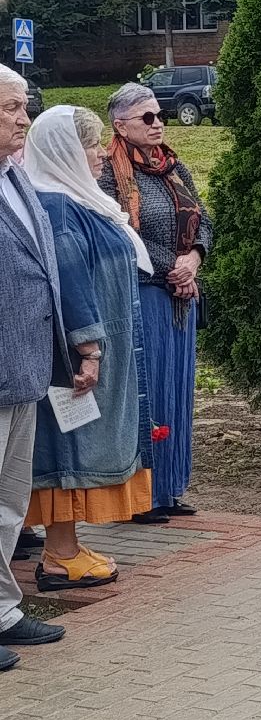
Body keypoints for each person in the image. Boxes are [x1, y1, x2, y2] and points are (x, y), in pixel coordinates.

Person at [23, 106, 155, 588]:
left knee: (78, 444)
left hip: (102, 347)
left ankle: (66, 546)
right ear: (65, 151)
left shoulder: (80, 201)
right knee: (67, 448)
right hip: (78, 358)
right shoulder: (58, 208)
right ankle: (59, 556)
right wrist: (89, 348)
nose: (100, 154)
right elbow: (71, 285)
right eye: (91, 145)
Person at [100, 82, 212, 524]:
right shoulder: (109, 172)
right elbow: (124, 234)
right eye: (147, 117)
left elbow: (204, 218)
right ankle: (141, 495)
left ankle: (169, 489)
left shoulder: (173, 166)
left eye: (160, 114)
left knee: (177, 390)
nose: (158, 123)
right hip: (142, 293)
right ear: (120, 125)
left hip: (180, 297)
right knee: (148, 391)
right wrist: (175, 267)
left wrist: (194, 259)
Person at [0, 62, 70, 668]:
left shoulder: (14, 178)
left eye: (22, 106)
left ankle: (1, 611)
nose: (25, 118)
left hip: (21, 367)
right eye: (11, 108)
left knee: (8, 502)